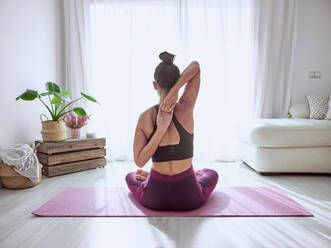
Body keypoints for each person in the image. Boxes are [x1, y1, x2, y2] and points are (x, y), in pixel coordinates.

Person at [125, 51, 219, 211]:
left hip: (154, 198)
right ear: (178, 81)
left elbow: (139, 161)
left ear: (155, 85)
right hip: (189, 198)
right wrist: (177, 89)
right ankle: (191, 176)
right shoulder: (186, 107)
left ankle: (151, 177)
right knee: (211, 174)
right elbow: (196, 66)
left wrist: (160, 130)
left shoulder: (145, 117)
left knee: (131, 177)